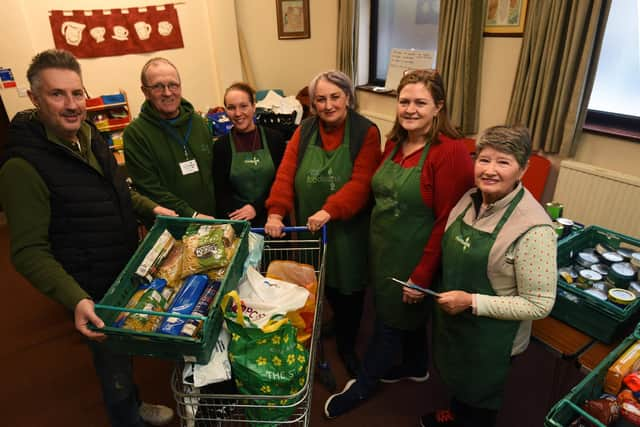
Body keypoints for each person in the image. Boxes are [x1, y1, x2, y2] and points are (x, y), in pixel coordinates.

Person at [0, 49, 176, 426]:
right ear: (33, 99)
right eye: (57, 94)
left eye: (77, 93)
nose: (71, 104)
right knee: (111, 361)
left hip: (120, 264)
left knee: (122, 349)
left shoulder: (90, 135)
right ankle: (126, 417)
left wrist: (152, 209)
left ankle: (135, 405)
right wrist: (75, 297)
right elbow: (28, 251)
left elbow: (118, 190)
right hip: (88, 283)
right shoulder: (21, 167)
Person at [324, 69, 475, 418]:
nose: (409, 109)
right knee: (395, 313)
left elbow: (446, 222)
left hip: (415, 255)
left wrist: (421, 277)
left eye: (420, 102)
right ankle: (415, 364)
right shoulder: (394, 143)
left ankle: (361, 386)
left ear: (438, 107)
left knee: (388, 324)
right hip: (384, 250)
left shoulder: (449, 153)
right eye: (404, 101)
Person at [424, 126, 557, 427]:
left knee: (480, 403)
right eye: (484, 160)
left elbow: (539, 305)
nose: (490, 170)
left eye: (503, 162)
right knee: (458, 383)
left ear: (523, 169)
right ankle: (455, 414)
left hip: (493, 341)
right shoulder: (468, 199)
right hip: (456, 324)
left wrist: (471, 302)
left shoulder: (535, 229)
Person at [264, 70, 382, 377]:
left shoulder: (365, 132)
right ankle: (336, 322)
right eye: (320, 99)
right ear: (313, 104)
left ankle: (347, 343)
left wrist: (330, 209)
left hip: (348, 230)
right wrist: (276, 212)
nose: (328, 105)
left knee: (350, 289)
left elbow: (361, 182)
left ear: (348, 98)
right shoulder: (304, 131)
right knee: (321, 279)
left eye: (335, 97)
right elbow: (286, 173)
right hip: (310, 227)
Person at [124, 57, 215, 220]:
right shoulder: (136, 134)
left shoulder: (199, 123)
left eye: (173, 85)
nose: (167, 92)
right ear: (145, 91)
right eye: (158, 86)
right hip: (172, 225)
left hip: (212, 219)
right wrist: (191, 215)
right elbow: (150, 189)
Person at [213, 82, 286, 227]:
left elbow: (281, 182)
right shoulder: (221, 146)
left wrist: (256, 207)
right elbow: (221, 190)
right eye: (231, 108)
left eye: (243, 106)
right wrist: (235, 219)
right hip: (240, 221)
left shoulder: (275, 139)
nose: (238, 113)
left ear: (254, 106)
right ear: (226, 111)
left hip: (273, 219)